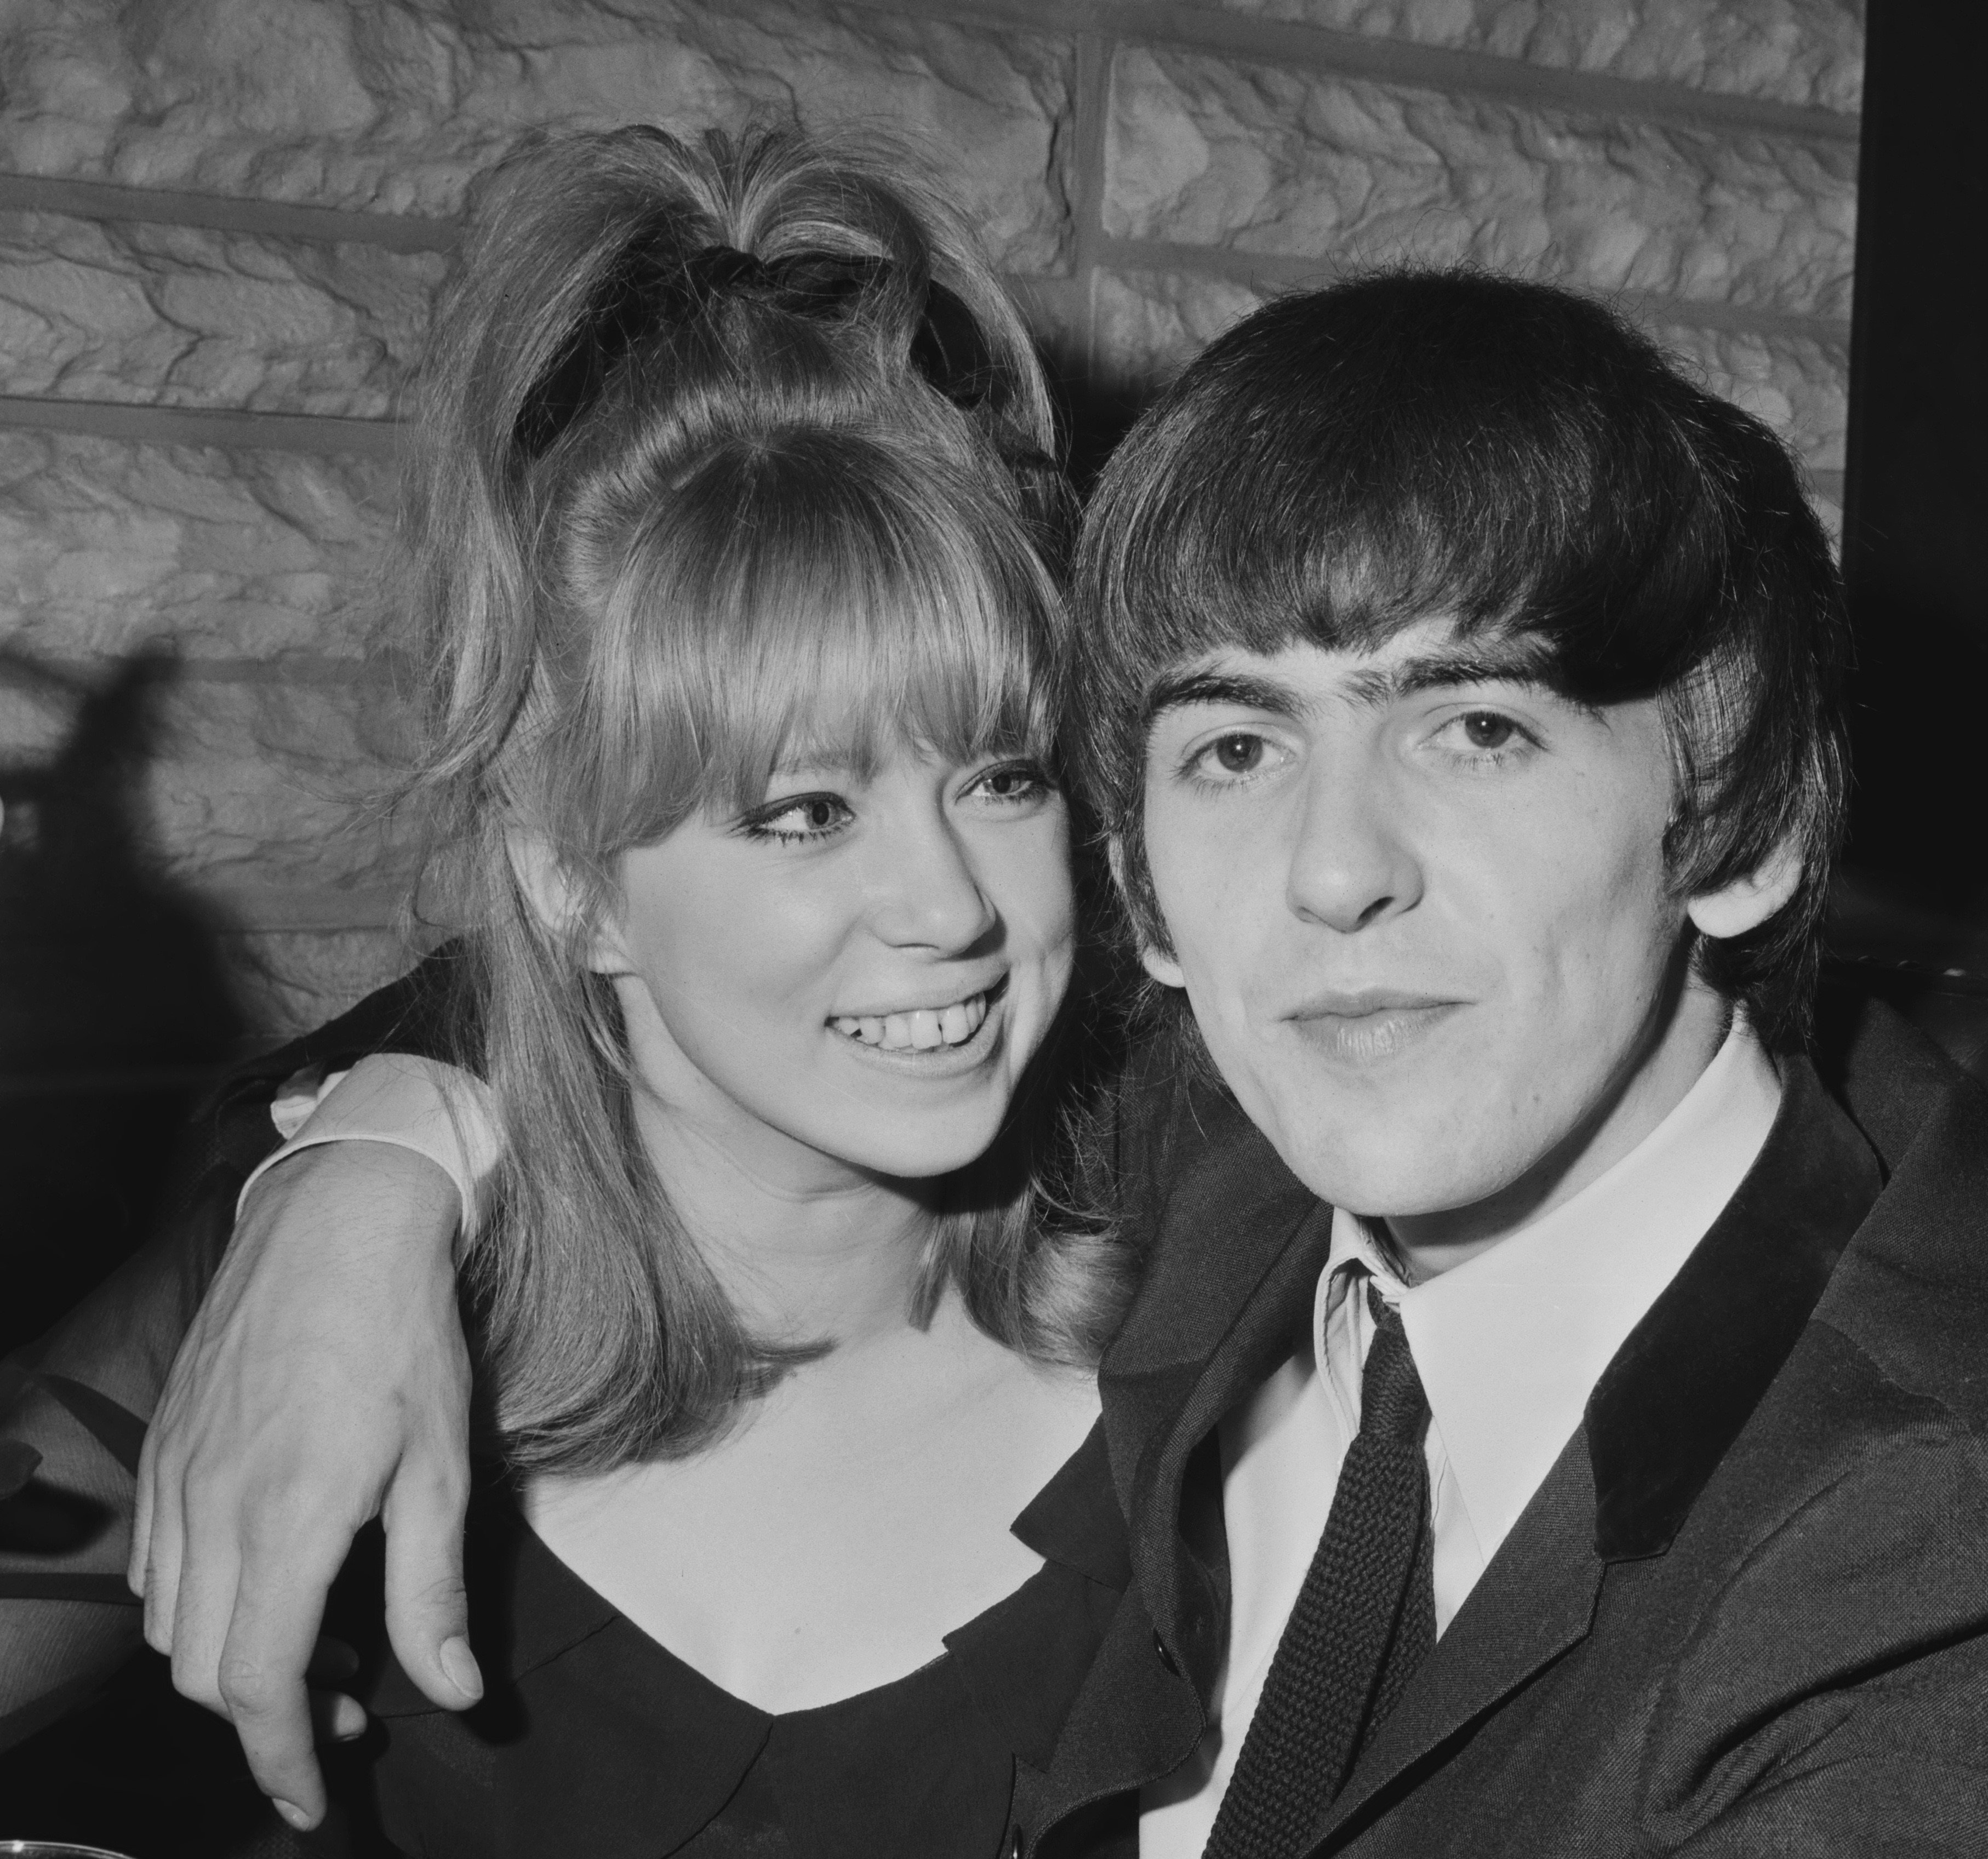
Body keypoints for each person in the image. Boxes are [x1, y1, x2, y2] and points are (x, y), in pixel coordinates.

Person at [127, 273, 1988, 1853]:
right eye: (1233, 744)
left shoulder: (1960, 1570)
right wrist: (359, 1172)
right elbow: (624, 1002)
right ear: (1144, 877)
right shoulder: (1231, 1123)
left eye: (1473, 725)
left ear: (1743, 816)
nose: (1328, 872)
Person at [0, 122, 1144, 1855]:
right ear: (572, 878)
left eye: (999, 775)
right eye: (805, 809)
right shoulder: (348, 1333)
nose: (952, 907)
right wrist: (352, 1163)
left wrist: (365, 1145)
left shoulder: (1222, 1295)